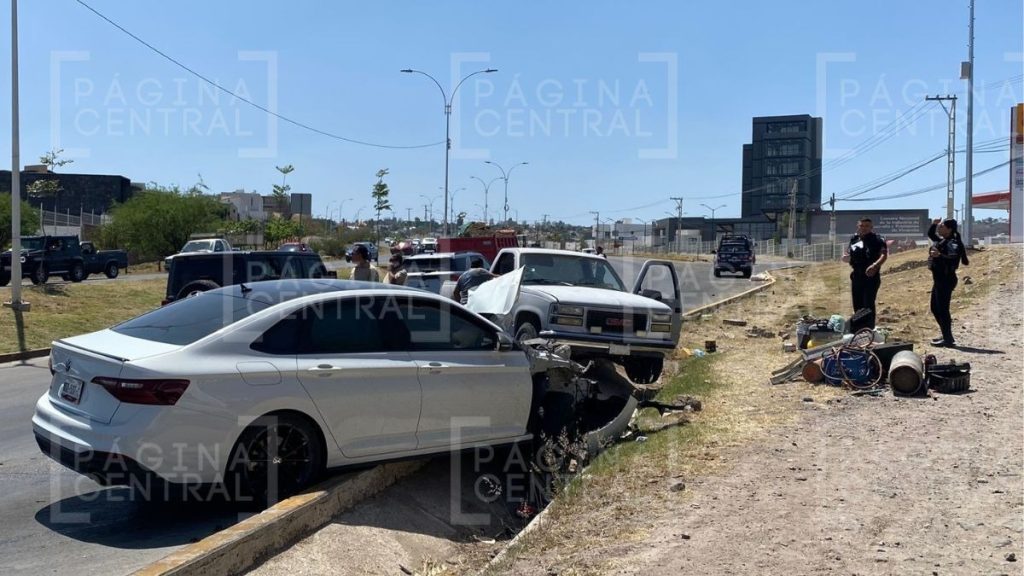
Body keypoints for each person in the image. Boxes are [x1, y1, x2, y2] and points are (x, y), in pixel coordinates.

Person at [927, 217, 969, 347]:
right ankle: (946, 334)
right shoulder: (942, 240)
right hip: (939, 279)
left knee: (943, 309)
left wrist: (939, 255)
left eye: (942, 226)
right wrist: (933, 224)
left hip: (946, 279)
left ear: (949, 229)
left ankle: (948, 339)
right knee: (935, 308)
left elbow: (953, 258)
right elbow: (930, 234)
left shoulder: (953, 242)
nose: (940, 228)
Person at [844, 218, 888, 328]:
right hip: (857, 276)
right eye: (862, 226)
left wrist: (875, 265)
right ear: (858, 226)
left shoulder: (877, 240)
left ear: (871, 227)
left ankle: (869, 328)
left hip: (871, 277)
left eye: (867, 226)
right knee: (857, 305)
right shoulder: (855, 239)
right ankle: (859, 328)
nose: (864, 228)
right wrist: (846, 257)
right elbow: (848, 253)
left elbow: (883, 255)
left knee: (868, 305)